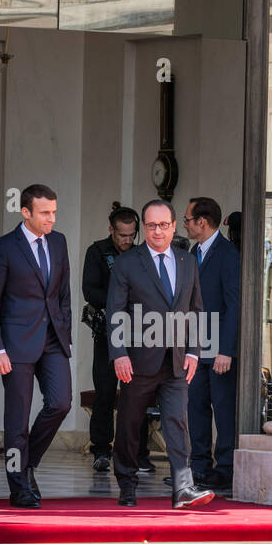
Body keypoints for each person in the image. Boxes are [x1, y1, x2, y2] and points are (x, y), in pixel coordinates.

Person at [107, 199, 213, 510]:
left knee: (177, 422)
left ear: (174, 226)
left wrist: (194, 351)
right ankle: (127, 483)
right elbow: (115, 311)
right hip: (137, 360)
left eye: (163, 225)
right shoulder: (128, 262)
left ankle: (183, 487)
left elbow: (196, 309)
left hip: (177, 360)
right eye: (151, 225)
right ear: (144, 227)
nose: (157, 231)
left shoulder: (187, 261)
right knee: (129, 423)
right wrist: (119, 354)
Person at [0, 183, 72, 509]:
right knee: (16, 421)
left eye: (54, 212)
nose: (51, 218)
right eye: (45, 213)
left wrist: (66, 334)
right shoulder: (3, 248)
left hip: (53, 342)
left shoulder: (58, 242)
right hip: (15, 345)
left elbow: (63, 295)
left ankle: (28, 460)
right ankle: (19, 485)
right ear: (26, 212)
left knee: (61, 403)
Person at [82, 202, 151, 473]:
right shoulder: (97, 252)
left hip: (139, 332)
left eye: (131, 235)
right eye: (122, 235)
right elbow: (90, 291)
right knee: (105, 390)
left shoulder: (141, 255)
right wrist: (120, 302)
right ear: (111, 230)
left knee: (139, 392)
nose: (126, 240)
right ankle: (101, 449)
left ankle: (139, 453)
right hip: (108, 331)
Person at [183, 196, 240, 490]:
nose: (185, 225)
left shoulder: (228, 254)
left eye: (188, 220)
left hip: (218, 349)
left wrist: (226, 350)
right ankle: (201, 466)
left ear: (201, 222)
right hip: (197, 347)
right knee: (196, 407)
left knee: (223, 407)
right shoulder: (195, 251)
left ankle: (227, 466)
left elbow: (234, 305)